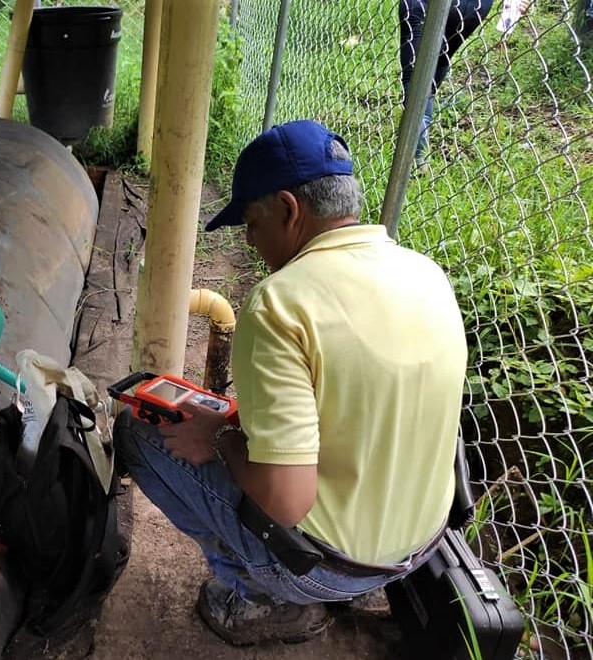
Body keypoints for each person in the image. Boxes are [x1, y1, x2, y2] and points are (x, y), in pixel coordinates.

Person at [112, 120, 468, 646]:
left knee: (137, 432)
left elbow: (283, 501)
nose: (251, 240)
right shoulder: (425, 273)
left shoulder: (282, 302)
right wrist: (234, 424)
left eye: (252, 223)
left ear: (288, 208)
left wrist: (215, 438)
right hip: (421, 548)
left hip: (331, 566)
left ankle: (262, 596)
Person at [398, 0, 495, 161]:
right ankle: (419, 122)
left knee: (415, 78)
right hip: (476, 6)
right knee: (441, 55)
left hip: (427, 5)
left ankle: (414, 161)